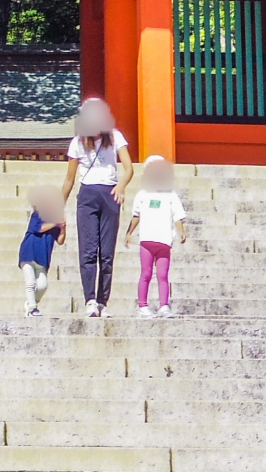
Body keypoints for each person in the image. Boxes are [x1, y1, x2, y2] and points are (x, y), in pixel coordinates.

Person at [60, 96, 132, 318]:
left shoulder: (115, 137)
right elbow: (70, 179)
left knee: (107, 253)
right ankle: (90, 299)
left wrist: (121, 186)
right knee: (88, 250)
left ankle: (103, 301)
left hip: (110, 193)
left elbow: (129, 168)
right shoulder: (78, 142)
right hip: (88, 195)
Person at [124, 155, 188, 318]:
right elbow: (136, 215)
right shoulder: (142, 194)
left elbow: (177, 215)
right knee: (145, 273)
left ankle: (164, 306)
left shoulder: (171, 194)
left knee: (162, 275)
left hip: (164, 240)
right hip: (147, 240)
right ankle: (143, 306)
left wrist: (181, 231)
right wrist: (129, 232)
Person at [18, 184, 67, 316]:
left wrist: (62, 228)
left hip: (43, 257)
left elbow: (61, 240)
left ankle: (31, 303)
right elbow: (38, 229)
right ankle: (32, 307)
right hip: (28, 253)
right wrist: (55, 223)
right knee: (30, 281)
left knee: (42, 285)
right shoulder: (37, 215)